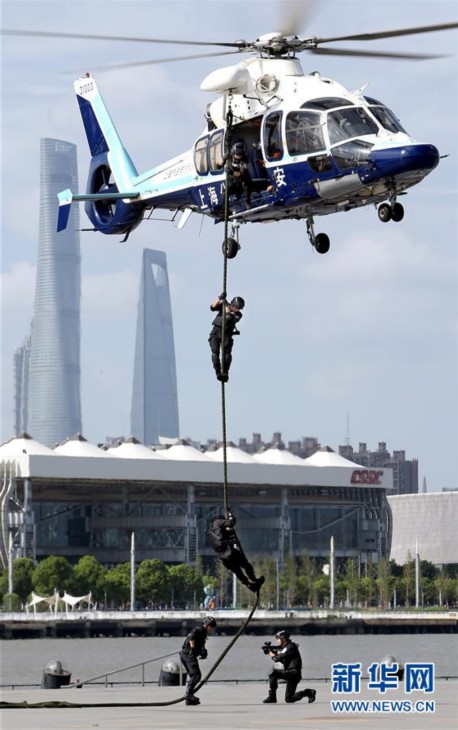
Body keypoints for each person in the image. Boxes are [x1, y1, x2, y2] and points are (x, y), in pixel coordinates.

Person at [208, 509, 265, 593]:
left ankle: (250, 585)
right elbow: (231, 522)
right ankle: (254, 580)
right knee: (246, 564)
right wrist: (230, 514)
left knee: (238, 572)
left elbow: (225, 534)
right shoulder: (218, 522)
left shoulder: (210, 532)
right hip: (230, 553)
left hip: (224, 558)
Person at [262, 630, 316, 704]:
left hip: (293, 673)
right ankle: (308, 693)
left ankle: (272, 696)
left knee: (273, 673)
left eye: (278, 639)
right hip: (292, 674)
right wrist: (270, 651)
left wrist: (270, 652)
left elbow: (276, 659)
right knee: (289, 699)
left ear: (283, 639)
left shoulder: (290, 647)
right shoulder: (288, 647)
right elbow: (282, 659)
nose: (277, 641)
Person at [179, 616, 216, 706]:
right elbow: (192, 637)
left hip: (189, 655)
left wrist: (203, 651)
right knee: (196, 675)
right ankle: (188, 695)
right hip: (187, 654)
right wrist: (192, 649)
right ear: (206, 625)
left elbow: (201, 643)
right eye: (211, 626)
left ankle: (189, 699)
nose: (212, 629)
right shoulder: (198, 630)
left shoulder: (203, 633)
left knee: (195, 675)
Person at [208, 293, 245, 382]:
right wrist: (220, 298)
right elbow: (212, 307)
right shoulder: (224, 306)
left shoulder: (238, 315)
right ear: (233, 305)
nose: (238, 309)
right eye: (237, 307)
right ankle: (218, 373)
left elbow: (228, 317)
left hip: (227, 335)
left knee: (227, 354)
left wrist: (226, 305)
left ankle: (225, 372)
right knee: (215, 352)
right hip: (216, 332)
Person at [221, 140, 253, 208]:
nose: (238, 157)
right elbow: (220, 165)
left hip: (242, 179)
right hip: (232, 180)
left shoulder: (245, 160)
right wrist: (222, 166)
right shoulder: (228, 156)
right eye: (236, 155)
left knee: (246, 184)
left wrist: (232, 172)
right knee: (225, 191)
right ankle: (225, 207)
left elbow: (241, 173)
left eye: (239, 156)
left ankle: (247, 202)